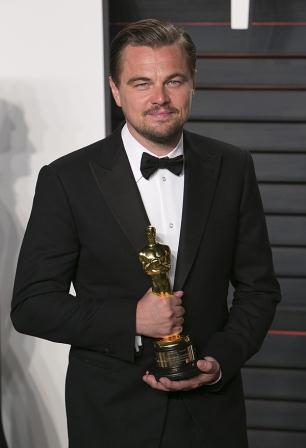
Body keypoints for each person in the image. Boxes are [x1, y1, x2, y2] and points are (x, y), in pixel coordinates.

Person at [11, 19, 281, 448]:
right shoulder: (67, 178)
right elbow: (31, 305)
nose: (159, 98)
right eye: (141, 83)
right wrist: (132, 320)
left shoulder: (233, 167)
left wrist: (219, 360)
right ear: (116, 91)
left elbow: (259, 289)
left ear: (193, 83)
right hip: (111, 415)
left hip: (212, 413)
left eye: (173, 80)